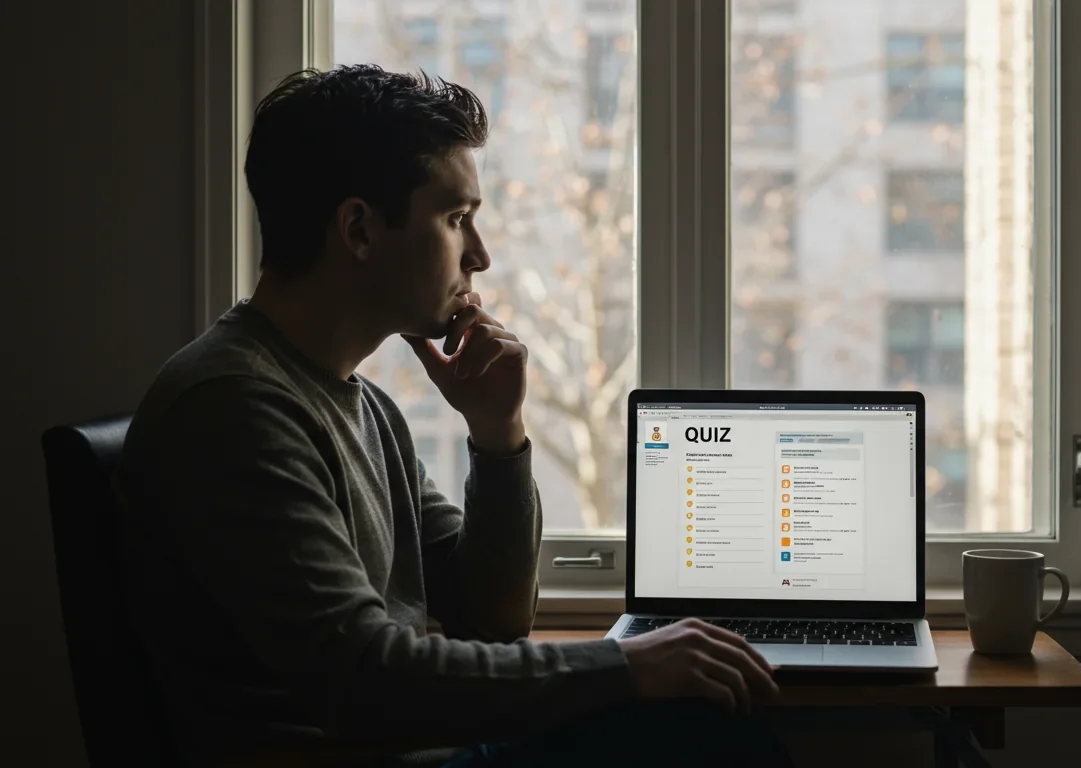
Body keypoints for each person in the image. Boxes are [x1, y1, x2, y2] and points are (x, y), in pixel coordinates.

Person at [117, 65, 785, 767]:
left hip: (432, 752)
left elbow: (491, 620)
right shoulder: (234, 408)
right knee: (706, 736)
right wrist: (628, 667)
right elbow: (364, 682)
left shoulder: (363, 404)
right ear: (359, 230)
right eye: (456, 218)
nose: (480, 256)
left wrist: (498, 437)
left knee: (701, 721)